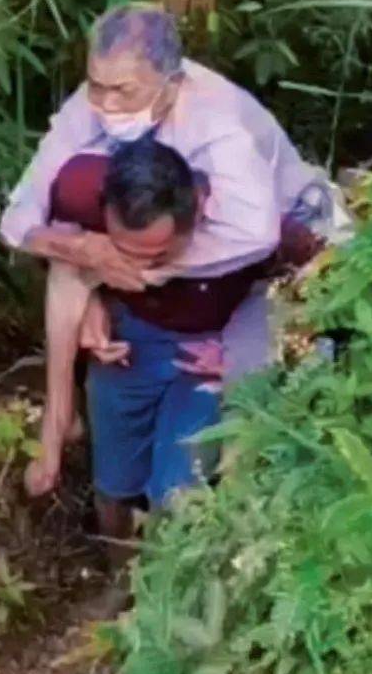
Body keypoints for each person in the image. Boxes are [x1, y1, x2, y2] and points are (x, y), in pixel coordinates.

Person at [0, 2, 347, 499]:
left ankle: (235, 512)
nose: (106, 104)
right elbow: (18, 218)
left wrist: (142, 268)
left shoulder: (219, 124)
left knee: (246, 401)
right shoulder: (91, 103)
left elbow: (257, 236)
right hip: (162, 222)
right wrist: (85, 250)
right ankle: (60, 416)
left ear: (171, 81)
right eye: (96, 85)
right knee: (71, 212)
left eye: (123, 91)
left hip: (277, 252)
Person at [45, 138, 262, 549]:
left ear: (197, 211)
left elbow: (320, 284)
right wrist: (95, 296)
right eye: (123, 251)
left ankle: (157, 593)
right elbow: (56, 249)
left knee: (177, 490)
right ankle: (116, 575)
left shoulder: (258, 219)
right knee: (112, 477)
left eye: (155, 255)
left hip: (209, 351)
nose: (137, 268)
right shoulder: (78, 187)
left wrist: (247, 354)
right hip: (129, 338)